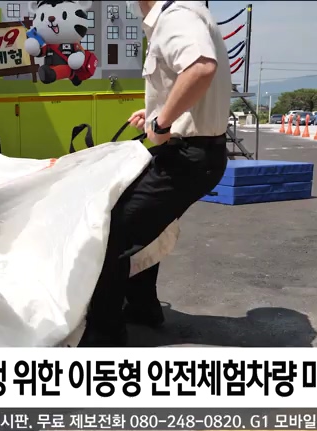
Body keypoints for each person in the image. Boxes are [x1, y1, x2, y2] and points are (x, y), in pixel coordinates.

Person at [79, 0, 231, 346]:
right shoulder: (184, 14)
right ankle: (143, 306)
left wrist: (162, 122)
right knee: (141, 226)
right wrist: (156, 112)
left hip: (189, 157)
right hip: (193, 153)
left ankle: (106, 334)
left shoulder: (176, 17)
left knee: (112, 229)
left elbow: (200, 68)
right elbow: (187, 80)